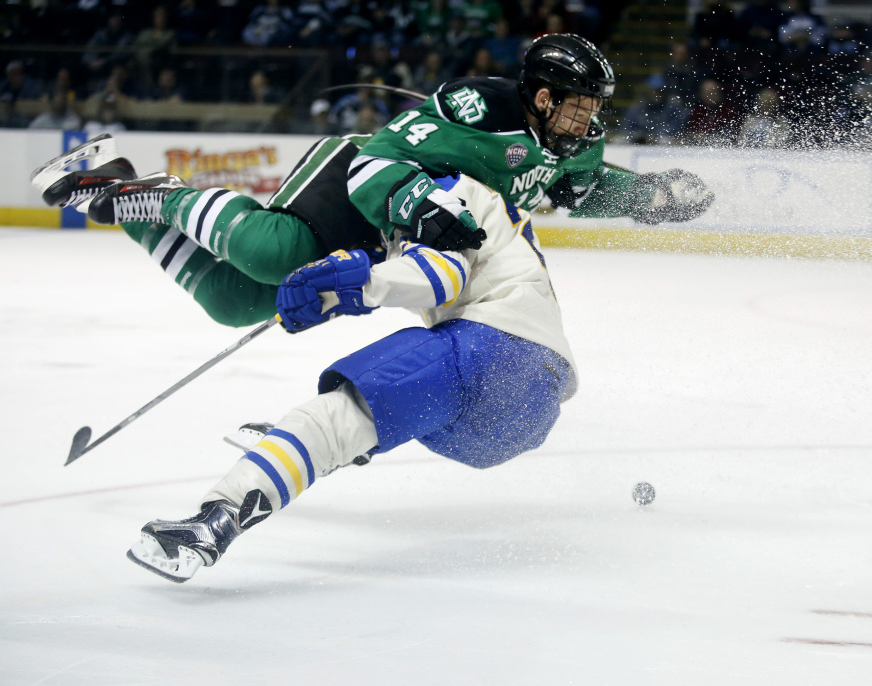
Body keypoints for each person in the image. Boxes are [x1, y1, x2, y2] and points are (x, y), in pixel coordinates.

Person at [32, 34, 714, 329]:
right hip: (360, 175)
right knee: (273, 253)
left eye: (594, 109)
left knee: (235, 302)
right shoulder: (478, 111)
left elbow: (584, 190)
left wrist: (652, 198)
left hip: (399, 229)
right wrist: (416, 202)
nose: (588, 120)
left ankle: (126, 198)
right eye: (577, 105)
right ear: (539, 96)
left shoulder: (576, 144)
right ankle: (163, 191)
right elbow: (379, 161)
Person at [126, 172, 578, 582]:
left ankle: (215, 524)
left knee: (333, 419)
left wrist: (347, 284)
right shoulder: (488, 203)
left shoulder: (441, 188)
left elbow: (441, 275)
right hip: (529, 411)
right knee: (371, 415)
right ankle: (312, 451)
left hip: (491, 354)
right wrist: (330, 294)